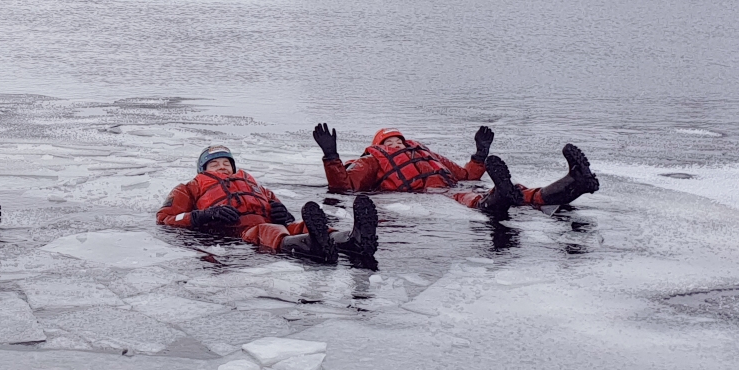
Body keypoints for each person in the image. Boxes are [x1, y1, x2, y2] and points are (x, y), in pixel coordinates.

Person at [312, 124, 599, 217]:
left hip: (450, 187)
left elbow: (466, 176)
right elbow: (346, 186)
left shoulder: (424, 151)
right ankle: (499, 195)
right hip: (425, 196)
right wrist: (331, 155)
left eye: (398, 138)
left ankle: (575, 182)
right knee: (473, 199)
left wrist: (479, 154)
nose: (396, 141)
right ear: (380, 142)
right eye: (390, 139)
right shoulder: (372, 157)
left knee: (514, 190)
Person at [158, 145, 376, 265]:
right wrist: (201, 216)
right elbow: (165, 218)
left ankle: (350, 239)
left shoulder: (255, 185)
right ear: (203, 169)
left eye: (227, 163)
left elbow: (279, 209)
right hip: (237, 231)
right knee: (267, 230)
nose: (222, 167)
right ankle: (310, 245)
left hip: (267, 223)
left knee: (298, 225)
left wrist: (284, 215)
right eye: (214, 164)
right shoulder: (189, 187)